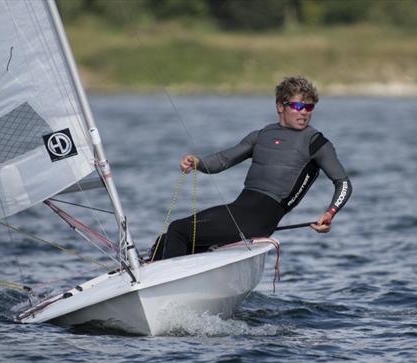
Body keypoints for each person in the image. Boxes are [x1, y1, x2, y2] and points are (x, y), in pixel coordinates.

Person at [149, 76, 352, 261]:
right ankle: (143, 280)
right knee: (164, 240)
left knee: (178, 229)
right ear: (280, 106)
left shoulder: (316, 143)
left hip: (259, 220)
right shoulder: (261, 135)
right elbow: (223, 160)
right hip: (238, 210)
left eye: (309, 107)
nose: (304, 113)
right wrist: (197, 163)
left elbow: (343, 183)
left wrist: (330, 212)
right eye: (298, 106)